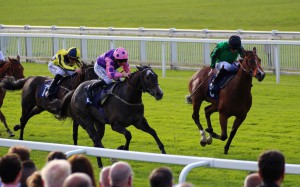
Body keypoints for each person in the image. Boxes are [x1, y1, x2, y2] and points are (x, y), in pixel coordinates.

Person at [186, 35, 245, 103]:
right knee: (227, 66)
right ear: (229, 45)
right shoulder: (221, 46)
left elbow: (243, 55)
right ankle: (214, 84)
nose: (234, 51)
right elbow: (213, 55)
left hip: (232, 63)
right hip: (220, 63)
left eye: (236, 49)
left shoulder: (239, 47)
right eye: (233, 49)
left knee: (240, 66)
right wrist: (212, 68)